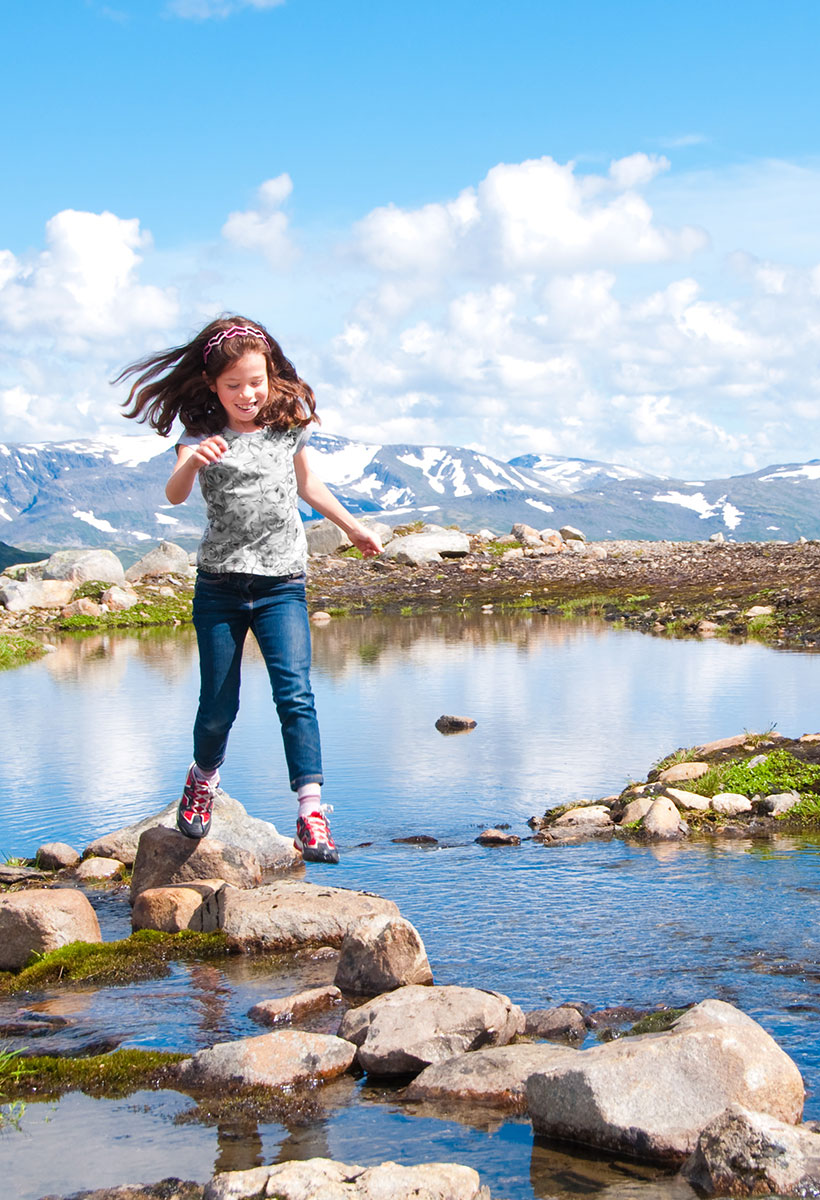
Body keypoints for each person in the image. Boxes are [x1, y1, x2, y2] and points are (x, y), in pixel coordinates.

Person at [116, 315, 381, 863]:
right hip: (219, 586)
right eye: (234, 385)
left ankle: (311, 814)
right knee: (218, 703)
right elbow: (173, 495)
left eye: (255, 381)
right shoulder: (200, 436)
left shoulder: (288, 427)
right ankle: (202, 779)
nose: (247, 394)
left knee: (296, 694)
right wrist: (191, 459)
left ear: (271, 374)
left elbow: (310, 485)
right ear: (214, 384)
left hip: (282, 583)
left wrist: (353, 527)